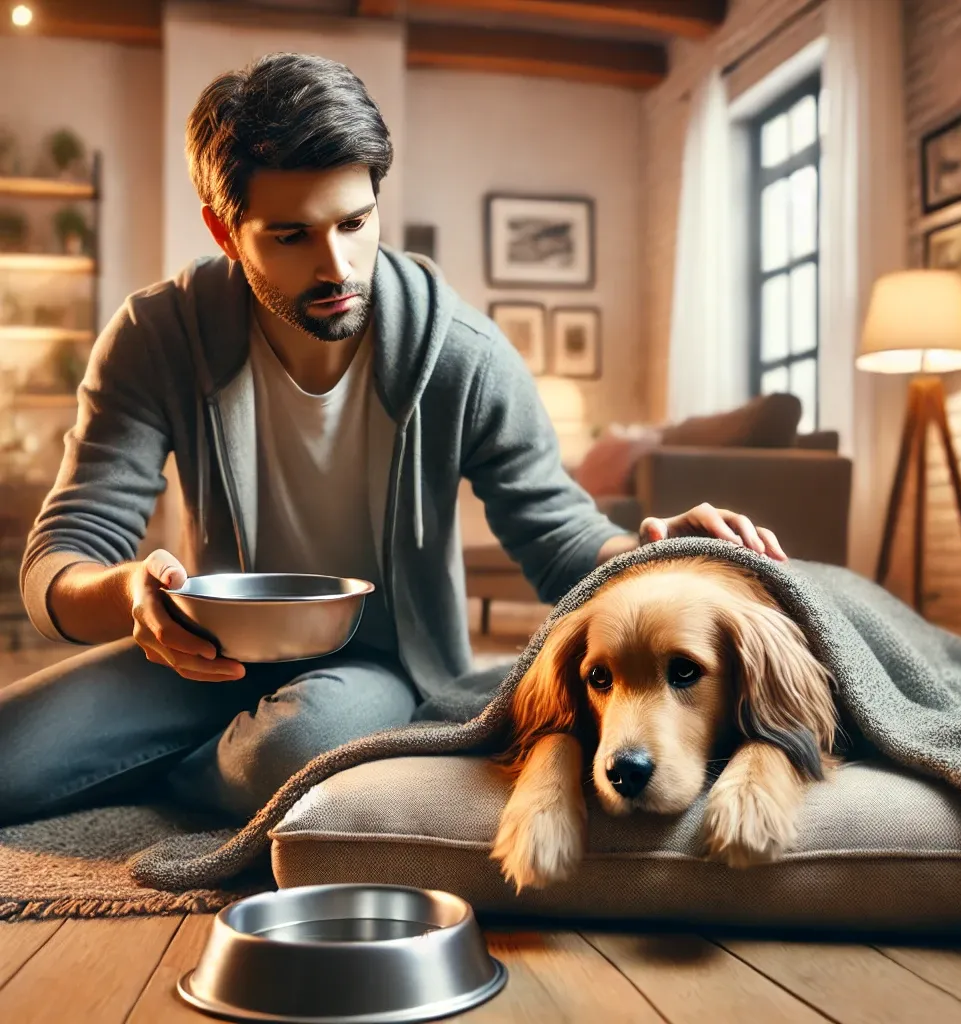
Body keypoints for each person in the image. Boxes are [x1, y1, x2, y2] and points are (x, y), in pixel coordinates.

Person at [0, 53, 786, 827]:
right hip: (205, 653)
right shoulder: (156, 336)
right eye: (291, 236)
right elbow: (57, 563)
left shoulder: (464, 354)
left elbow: (557, 538)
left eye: (354, 222)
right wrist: (130, 594)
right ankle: (219, 770)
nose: (336, 265)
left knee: (294, 749)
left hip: (378, 668)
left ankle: (185, 779)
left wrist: (657, 554)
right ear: (223, 228)